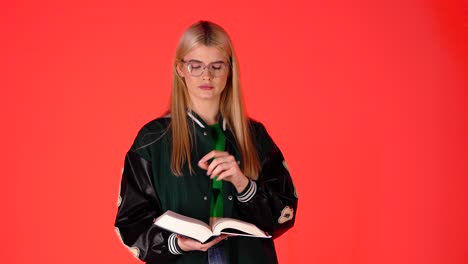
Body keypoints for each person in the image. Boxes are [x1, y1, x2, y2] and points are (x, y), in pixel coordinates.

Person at [114, 20, 298, 264]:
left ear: (229, 69)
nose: (207, 75)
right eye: (195, 66)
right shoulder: (153, 139)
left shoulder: (255, 136)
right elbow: (130, 223)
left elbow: (284, 215)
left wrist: (243, 184)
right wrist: (176, 242)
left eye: (216, 66)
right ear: (180, 69)